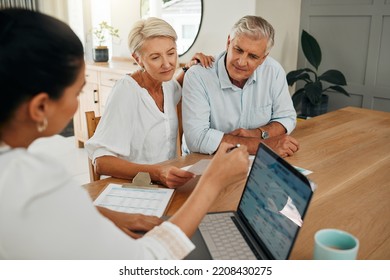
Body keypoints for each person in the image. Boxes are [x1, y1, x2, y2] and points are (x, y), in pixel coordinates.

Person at [0, 8, 249, 259]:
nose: (78, 103)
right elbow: (143, 263)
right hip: (140, 189)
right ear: (40, 107)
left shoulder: (27, 172)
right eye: (77, 93)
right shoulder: (35, 184)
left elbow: (177, 84)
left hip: (161, 193)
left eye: (171, 53)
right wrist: (212, 182)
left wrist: (109, 216)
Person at [85, 17, 214, 188]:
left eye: (171, 53)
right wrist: (157, 172)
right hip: (133, 186)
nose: (167, 64)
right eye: (155, 57)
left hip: (165, 184)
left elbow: (177, 84)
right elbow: (101, 162)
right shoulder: (127, 91)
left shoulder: (165, 84)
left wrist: (190, 67)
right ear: (138, 59)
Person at [182, 15, 299, 158]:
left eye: (253, 56)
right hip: (203, 159)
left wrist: (257, 133)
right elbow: (197, 138)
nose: (242, 62)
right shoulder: (198, 75)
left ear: (263, 58)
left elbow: (287, 118)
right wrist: (263, 146)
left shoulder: (273, 71)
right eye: (238, 50)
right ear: (228, 43)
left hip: (253, 160)